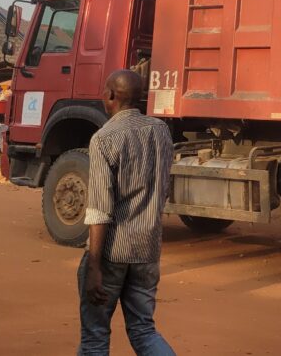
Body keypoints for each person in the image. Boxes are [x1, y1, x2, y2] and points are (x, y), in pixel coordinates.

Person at [79, 70, 175, 356]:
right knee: (144, 329)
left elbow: (99, 208)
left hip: (112, 252)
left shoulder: (103, 138)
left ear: (110, 96)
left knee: (94, 336)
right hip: (147, 248)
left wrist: (94, 266)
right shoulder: (161, 131)